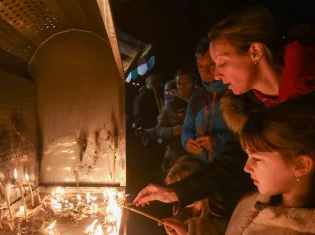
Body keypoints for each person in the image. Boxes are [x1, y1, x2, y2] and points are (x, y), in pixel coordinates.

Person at [133, 6, 315, 216]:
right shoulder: (247, 109)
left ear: (255, 52)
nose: (216, 74)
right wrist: (175, 192)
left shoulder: (305, 94)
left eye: (222, 62)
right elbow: (231, 162)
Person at [203, 92, 315, 235]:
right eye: (247, 156)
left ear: (301, 165)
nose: (246, 167)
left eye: (257, 159)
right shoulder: (254, 203)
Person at [182, 38, 230, 163]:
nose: (205, 71)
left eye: (210, 64)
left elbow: (248, 133)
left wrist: (218, 142)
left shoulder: (236, 92)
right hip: (201, 167)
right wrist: (187, 141)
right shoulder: (196, 98)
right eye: (200, 66)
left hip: (233, 168)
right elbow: (187, 127)